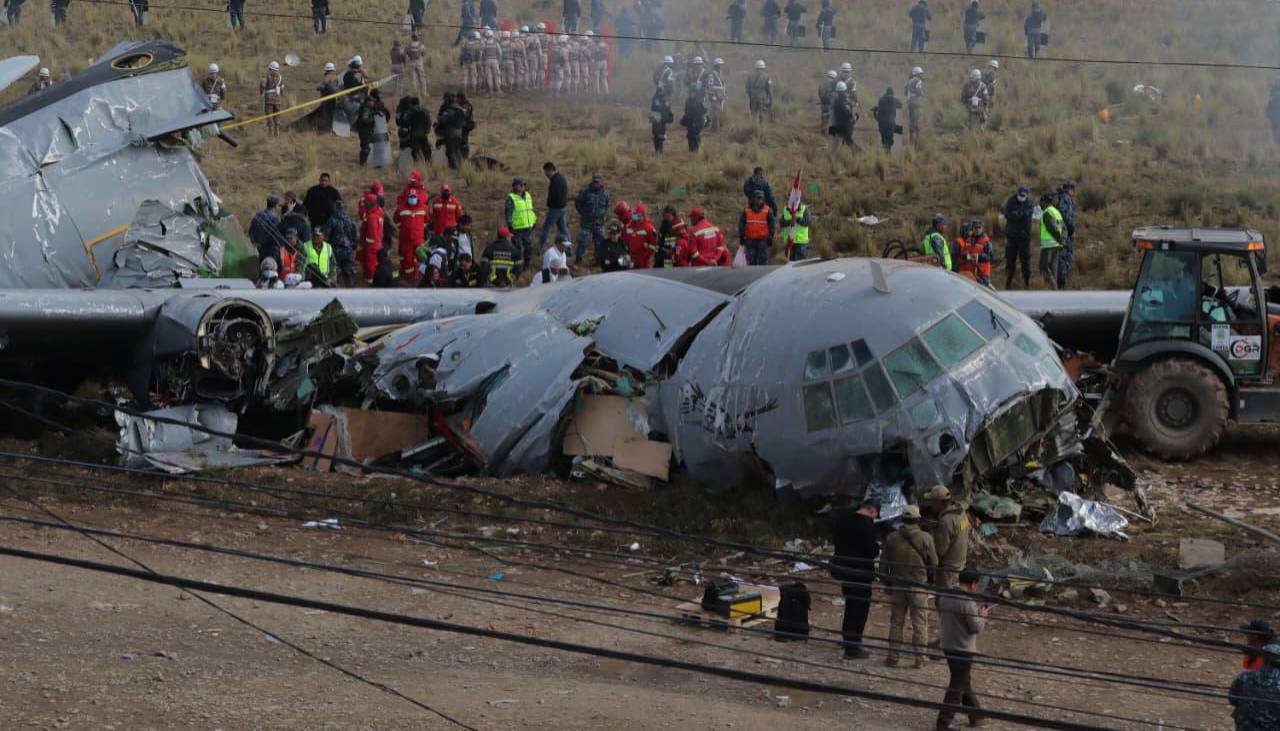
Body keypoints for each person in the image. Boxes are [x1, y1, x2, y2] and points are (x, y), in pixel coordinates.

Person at [883, 504, 937, 669]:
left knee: (896, 622)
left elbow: (883, 563)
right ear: (918, 519)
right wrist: (930, 580)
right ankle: (920, 659)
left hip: (898, 586)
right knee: (920, 623)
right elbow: (934, 562)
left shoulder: (892, 538)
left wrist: (887, 583)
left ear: (902, 519)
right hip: (918, 586)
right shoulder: (926, 538)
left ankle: (893, 657)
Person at [936, 569, 987, 729]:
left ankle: (976, 716)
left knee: (963, 681)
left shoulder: (944, 595)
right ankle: (943, 723)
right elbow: (976, 628)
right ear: (973, 584)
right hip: (963, 648)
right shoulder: (967, 602)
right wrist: (982, 616)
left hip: (948, 645)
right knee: (956, 687)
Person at [831, 500, 880, 659]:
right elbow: (871, 550)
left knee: (850, 605)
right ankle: (853, 646)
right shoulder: (866, 525)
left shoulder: (843, 520)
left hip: (844, 570)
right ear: (872, 510)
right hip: (861, 573)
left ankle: (847, 639)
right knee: (859, 609)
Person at [395, 172, 430, 283]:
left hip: (418, 239)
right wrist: (405, 229)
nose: (412, 198)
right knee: (407, 259)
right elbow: (396, 220)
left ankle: (421, 277)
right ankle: (409, 278)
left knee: (420, 258)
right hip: (405, 240)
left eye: (414, 197)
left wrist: (418, 229)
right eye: (410, 197)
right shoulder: (401, 208)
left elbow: (427, 221)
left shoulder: (423, 208)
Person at [573, 174, 611, 267]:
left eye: (598, 183)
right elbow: (578, 204)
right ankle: (578, 259)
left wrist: (602, 215)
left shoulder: (605, 194)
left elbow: (606, 205)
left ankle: (598, 260)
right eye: (594, 182)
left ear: (601, 183)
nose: (596, 184)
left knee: (600, 242)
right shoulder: (585, 192)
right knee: (583, 241)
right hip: (587, 223)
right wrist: (583, 213)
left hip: (599, 223)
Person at [1001, 186, 1035, 289]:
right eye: (1020, 195)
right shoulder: (1011, 201)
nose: (1022, 197)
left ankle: (1026, 283)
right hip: (1011, 237)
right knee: (1010, 261)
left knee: (1025, 261)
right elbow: (1007, 214)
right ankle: (1008, 283)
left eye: (1024, 195)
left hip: (1024, 237)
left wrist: (1016, 215)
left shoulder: (1029, 203)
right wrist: (1019, 215)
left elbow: (1027, 214)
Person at [322, 199, 359, 287]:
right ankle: (350, 290)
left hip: (336, 249)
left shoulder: (332, 219)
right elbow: (356, 236)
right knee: (348, 271)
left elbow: (326, 235)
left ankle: (335, 290)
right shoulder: (350, 220)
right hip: (348, 249)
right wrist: (354, 247)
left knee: (335, 271)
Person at [538, 162, 572, 252]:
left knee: (546, 227)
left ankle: (541, 247)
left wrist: (550, 205)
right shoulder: (561, 178)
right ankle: (569, 248)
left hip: (555, 209)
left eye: (545, 172)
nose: (545, 174)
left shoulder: (555, 180)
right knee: (563, 229)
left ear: (549, 171)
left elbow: (556, 196)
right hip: (562, 208)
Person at [506, 177, 538, 268]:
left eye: (524, 185)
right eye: (521, 185)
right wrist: (510, 226)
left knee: (529, 246)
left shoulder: (527, 195)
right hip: (517, 228)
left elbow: (530, 209)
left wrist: (534, 220)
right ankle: (517, 266)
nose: (523, 186)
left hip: (528, 227)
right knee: (517, 248)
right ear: (515, 186)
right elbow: (508, 213)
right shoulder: (511, 198)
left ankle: (527, 264)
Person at [738, 191, 775, 266]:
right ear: (753, 199)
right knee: (751, 262)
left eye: (761, 198)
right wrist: (742, 236)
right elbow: (741, 224)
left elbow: (772, 224)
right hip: (750, 240)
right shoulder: (746, 211)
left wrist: (771, 236)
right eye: (758, 198)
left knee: (763, 262)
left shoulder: (767, 210)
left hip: (763, 240)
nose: (759, 200)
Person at [1038, 192, 1065, 290]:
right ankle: (1054, 292)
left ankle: (1053, 289)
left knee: (1044, 268)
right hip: (1056, 245)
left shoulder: (1047, 213)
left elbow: (1051, 228)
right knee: (1053, 270)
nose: (1039, 205)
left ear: (1045, 202)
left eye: (1040, 202)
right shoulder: (1057, 212)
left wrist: (1060, 239)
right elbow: (1064, 228)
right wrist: (1063, 240)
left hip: (1048, 246)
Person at [956, 219, 993, 287]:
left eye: (979, 227)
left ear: (982, 228)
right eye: (976, 228)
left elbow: (991, 258)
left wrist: (978, 257)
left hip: (982, 273)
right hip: (970, 272)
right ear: (972, 228)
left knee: (985, 292)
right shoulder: (968, 240)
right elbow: (963, 255)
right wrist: (967, 256)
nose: (977, 229)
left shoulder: (986, 242)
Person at [622, 203, 658, 269]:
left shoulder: (649, 228)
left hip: (643, 263)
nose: (636, 218)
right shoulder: (629, 226)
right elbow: (623, 240)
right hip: (630, 261)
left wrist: (644, 258)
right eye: (634, 215)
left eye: (638, 216)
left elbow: (653, 246)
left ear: (643, 215)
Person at [359, 193, 385, 283]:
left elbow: (372, 234)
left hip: (371, 245)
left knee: (371, 264)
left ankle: (372, 281)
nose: (364, 203)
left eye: (366, 202)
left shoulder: (372, 217)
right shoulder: (377, 213)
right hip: (376, 243)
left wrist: (364, 243)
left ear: (370, 203)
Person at [1055, 181, 1077, 288]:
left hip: (1062, 232)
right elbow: (1065, 216)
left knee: (1063, 257)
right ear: (1069, 189)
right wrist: (1072, 230)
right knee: (1063, 257)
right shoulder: (1065, 199)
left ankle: (1061, 280)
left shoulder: (1061, 198)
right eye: (1073, 189)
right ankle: (1061, 282)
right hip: (1064, 233)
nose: (1074, 192)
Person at [746, 60, 773, 129]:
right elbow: (747, 88)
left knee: (761, 115)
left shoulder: (767, 77)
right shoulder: (751, 77)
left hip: (762, 100)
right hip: (754, 100)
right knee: (754, 114)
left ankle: (761, 128)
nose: (759, 70)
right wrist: (749, 97)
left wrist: (770, 99)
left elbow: (769, 89)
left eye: (760, 69)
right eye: (758, 69)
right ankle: (754, 128)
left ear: (763, 69)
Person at [873, 86, 902, 151]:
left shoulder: (881, 99)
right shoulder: (895, 99)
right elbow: (900, 105)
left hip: (882, 123)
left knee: (883, 138)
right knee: (889, 139)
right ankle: (888, 152)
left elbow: (879, 108)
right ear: (892, 93)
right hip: (890, 122)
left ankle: (885, 151)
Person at [829, 82, 855, 153]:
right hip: (845, 124)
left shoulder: (837, 100)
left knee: (835, 141)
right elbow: (849, 112)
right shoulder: (846, 100)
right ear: (845, 90)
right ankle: (857, 152)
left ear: (837, 91)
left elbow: (845, 112)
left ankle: (857, 152)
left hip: (837, 124)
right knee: (846, 140)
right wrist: (852, 117)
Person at [260, 61, 284, 137]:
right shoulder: (280, 77)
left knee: (269, 115)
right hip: (278, 100)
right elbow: (282, 89)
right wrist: (280, 96)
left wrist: (262, 93)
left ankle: (270, 133)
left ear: (270, 67)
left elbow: (262, 85)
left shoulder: (266, 75)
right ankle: (277, 133)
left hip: (269, 99)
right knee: (277, 115)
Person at [649, 89, 674, 154]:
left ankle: (660, 150)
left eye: (662, 93)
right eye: (660, 92)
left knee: (661, 136)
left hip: (662, 122)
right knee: (657, 136)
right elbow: (656, 109)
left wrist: (670, 116)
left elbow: (667, 110)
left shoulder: (663, 100)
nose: (661, 94)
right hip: (656, 122)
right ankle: (657, 150)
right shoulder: (655, 100)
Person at [906, 67, 925, 145]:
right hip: (915, 102)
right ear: (918, 74)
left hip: (909, 102)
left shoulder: (909, 81)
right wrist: (921, 93)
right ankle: (917, 140)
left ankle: (911, 139)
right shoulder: (918, 80)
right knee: (916, 121)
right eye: (921, 74)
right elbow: (919, 91)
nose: (922, 75)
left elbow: (905, 92)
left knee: (911, 120)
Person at [1268, 80, 1280, 145]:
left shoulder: (1273, 94)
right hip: (1276, 117)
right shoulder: (1275, 95)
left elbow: (1269, 107)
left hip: (1274, 117)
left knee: (1275, 130)